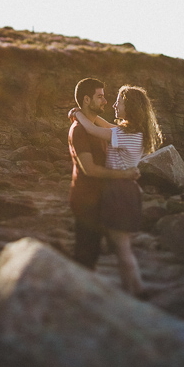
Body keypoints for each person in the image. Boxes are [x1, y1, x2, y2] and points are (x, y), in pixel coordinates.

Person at [69, 84, 162, 295]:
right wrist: (82, 115)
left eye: (118, 101)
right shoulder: (130, 131)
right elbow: (104, 125)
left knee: (122, 248)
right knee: (120, 247)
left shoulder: (126, 135)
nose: (114, 104)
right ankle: (132, 289)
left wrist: (76, 114)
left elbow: (93, 129)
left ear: (129, 107)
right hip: (122, 190)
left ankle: (137, 291)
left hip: (120, 191)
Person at [68, 78, 140, 272]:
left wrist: (77, 113)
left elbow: (104, 126)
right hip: (86, 202)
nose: (105, 101)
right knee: (85, 258)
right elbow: (89, 169)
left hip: (103, 199)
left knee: (106, 254)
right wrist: (124, 174)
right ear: (86, 100)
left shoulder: (100, 130)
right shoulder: (79, 131)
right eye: (100, 97)